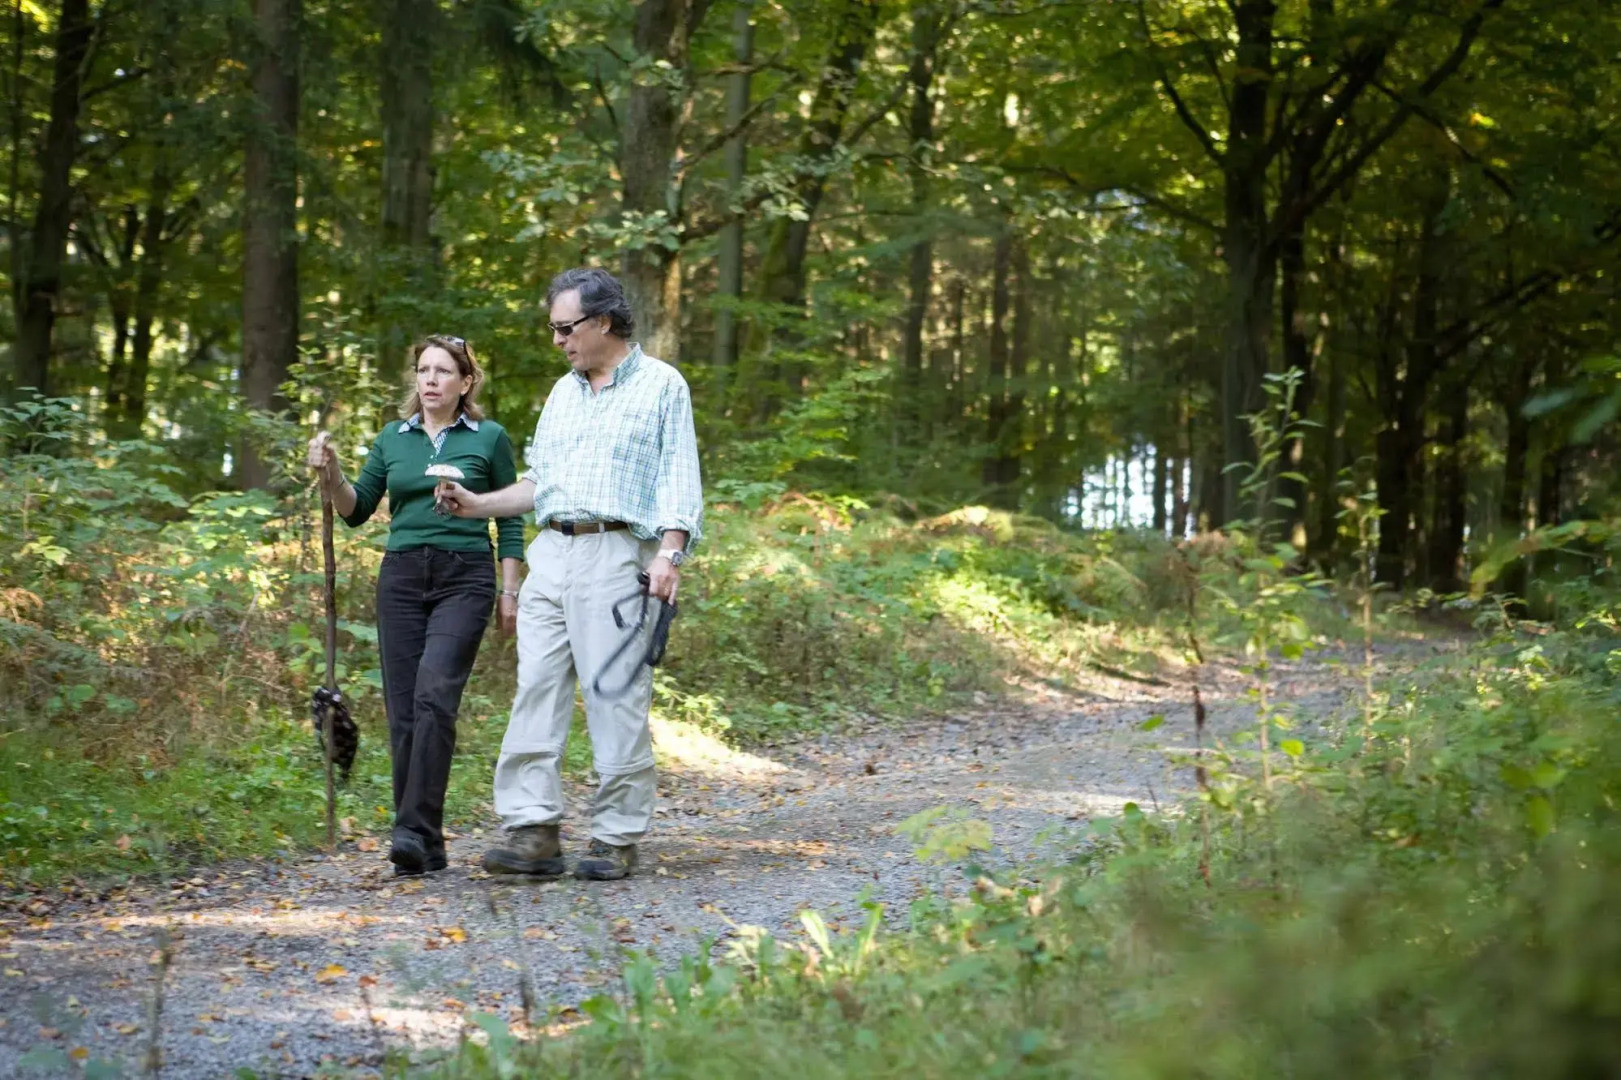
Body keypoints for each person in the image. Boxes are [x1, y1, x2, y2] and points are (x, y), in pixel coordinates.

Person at [436, 267, 703, 881]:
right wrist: (477, 503)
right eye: (553, 329)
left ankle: (615, 835)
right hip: (550, 554)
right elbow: (541, 484)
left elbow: (679, 478)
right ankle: (533, 829)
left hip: (617, 554)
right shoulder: (562, 394)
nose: (557, 341)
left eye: (565, 328)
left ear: (603, 321)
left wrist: (669, 553)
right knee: (537, 688)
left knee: (615, 693)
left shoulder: (663, 386)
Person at [306, 336, 525, 876]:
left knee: (434, 697)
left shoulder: (489, 438)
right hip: (401, 577)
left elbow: (511, 518)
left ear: (465, 383)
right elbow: (355, 509)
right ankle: (424, 845)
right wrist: (331, 474)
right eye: (423, 370)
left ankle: (412, 830)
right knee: (404, 711)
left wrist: (509, 589)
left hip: (465, 576)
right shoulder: (391, 439)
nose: (430, 380)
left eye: (443, 371)